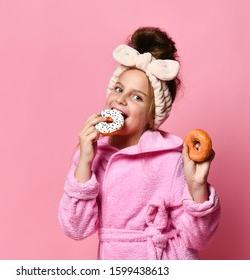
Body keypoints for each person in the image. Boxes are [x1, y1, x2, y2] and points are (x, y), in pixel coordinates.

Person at [58, 26, 220, 260]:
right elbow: (76, 229)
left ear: (152, 116)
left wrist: (197, 187)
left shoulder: (171, 159)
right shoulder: (91, 157)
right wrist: (84, 160)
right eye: (118, 89)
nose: (121, 99)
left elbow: (199, 238)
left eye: (137, 97)